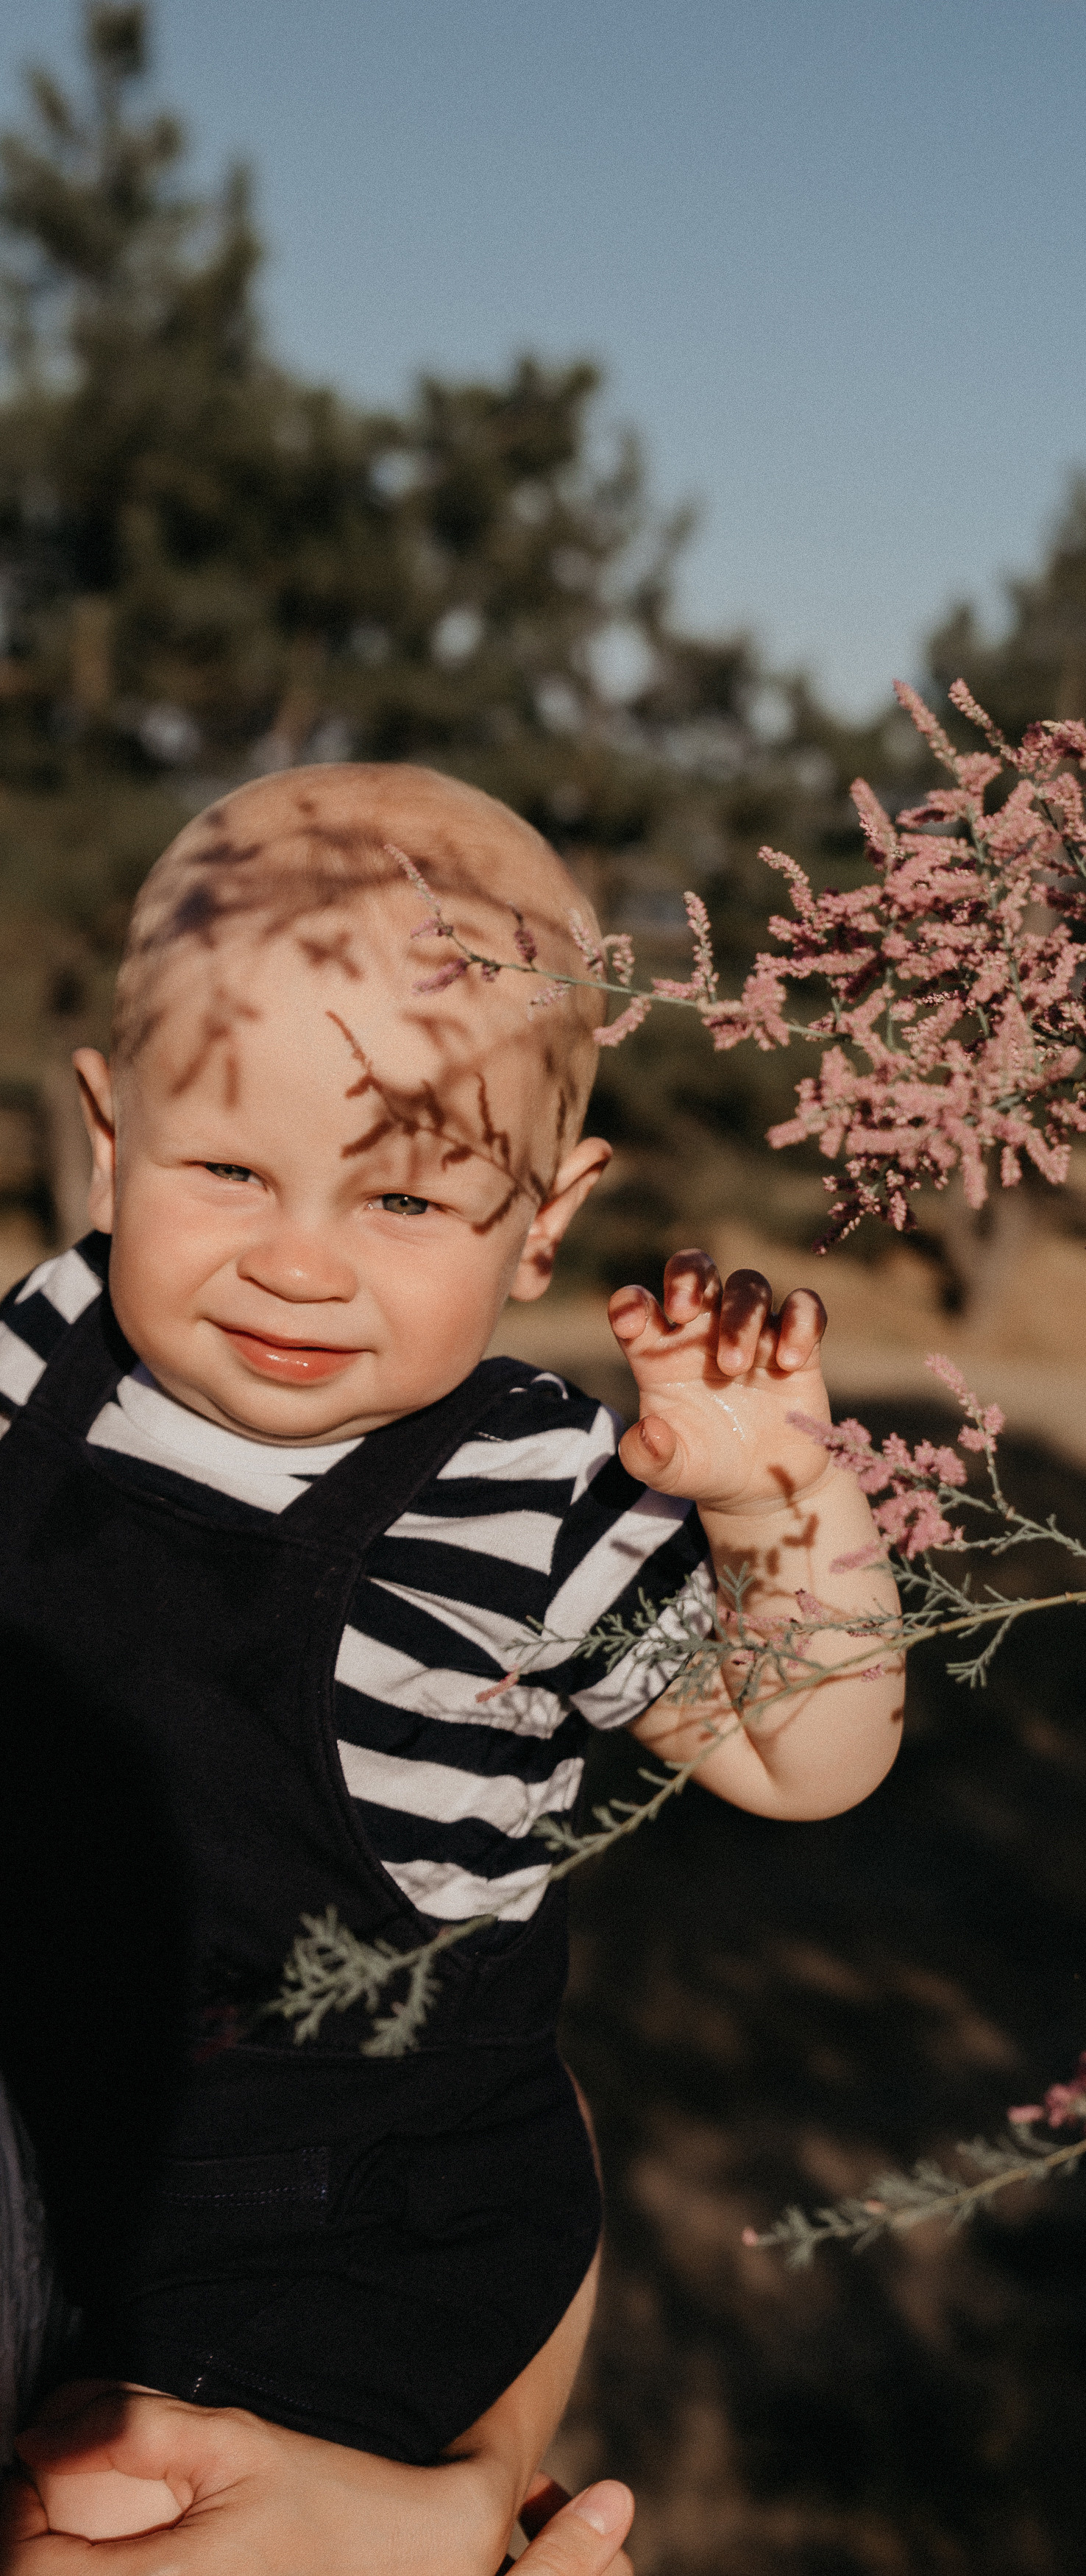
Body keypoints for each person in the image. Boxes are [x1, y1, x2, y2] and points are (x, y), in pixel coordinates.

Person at [0, 763, 903, 2566]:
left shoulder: (530, 1498)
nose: (299, 1257)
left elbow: (809, 1758)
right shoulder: (48, 1342)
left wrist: (781, 1503)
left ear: (545, 1218)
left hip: (348, 2205)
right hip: (57, 2096)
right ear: (111, 1138)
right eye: (227, 1167)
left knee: (101, 2512)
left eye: (406, 1202)